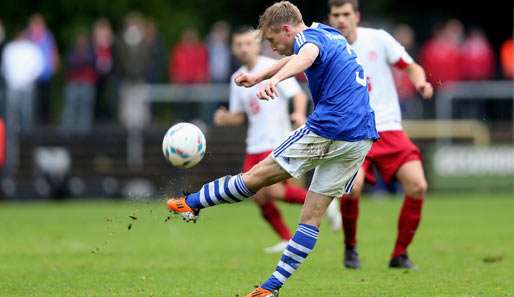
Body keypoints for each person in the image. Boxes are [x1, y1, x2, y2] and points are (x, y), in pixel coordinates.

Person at [167, 2, 378, 295]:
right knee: (311, 218)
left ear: (287, 29)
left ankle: (191, 202)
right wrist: (259, 77)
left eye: (270, 40)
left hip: (331, 127)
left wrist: (275, 80)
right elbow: (300, 55)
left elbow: (305, 55)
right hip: (360, 136)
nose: (270, 47)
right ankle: (271, 288)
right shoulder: (326, 32)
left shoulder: (309, 43)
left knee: (256, 178)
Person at [213, 26, 340, 254]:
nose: (244, 48)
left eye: (248, 43)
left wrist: (298, 114)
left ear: (257, 44)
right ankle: (286, 238)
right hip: (254, 143)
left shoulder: (269, 68)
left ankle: (324, 203)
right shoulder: (238, 77)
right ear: (233, 48)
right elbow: (241, 115)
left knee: (269, 191)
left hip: (275, 139)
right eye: (239, 45)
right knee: (256, 196)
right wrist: (225, 118)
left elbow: (298, 94)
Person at [327, 0, 433, 269]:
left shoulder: (378, 39)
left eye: (346, 14)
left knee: (418, 185)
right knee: (353, 189)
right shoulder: (325, 47)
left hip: (388, 128)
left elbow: (411, 66)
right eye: (336, 14)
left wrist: (420, 82)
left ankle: (400, 254)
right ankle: (350, 249)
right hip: (353, 131)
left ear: (356, 16)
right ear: (330, 18)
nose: (341, 19)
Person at [61, 31, 97, 133]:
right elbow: (72, 63)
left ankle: (84, 132)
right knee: (70, 108)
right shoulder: (72, 51)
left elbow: (91, 62)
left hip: (86, 83)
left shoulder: (90, 52)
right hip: (73, 83)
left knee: (85, 109)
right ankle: (68, 131)